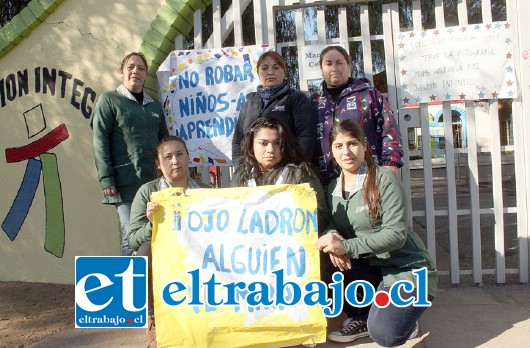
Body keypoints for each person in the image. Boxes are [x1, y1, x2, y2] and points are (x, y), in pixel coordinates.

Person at [315, 119, 437, 346]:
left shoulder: (384, 179)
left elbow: (396, 234)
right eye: (338, 146)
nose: (346, 152)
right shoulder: (332, 188)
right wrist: (332, 236)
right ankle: (361, 317)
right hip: (368, 267)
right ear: (331, 151)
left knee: (386, 335)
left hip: (404, 268)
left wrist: (347, 246)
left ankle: (404, 320)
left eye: (352, 144)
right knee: (328, 257)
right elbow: (332, 222)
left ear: (365, 146)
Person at [128, 136, 209, 347]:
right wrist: (151, 224)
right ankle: (154, 318)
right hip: (165, 265)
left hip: (199, 262)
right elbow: (133, 240)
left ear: (189, 158)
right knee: (145, 249)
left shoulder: (206, 192)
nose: (175, 161)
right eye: (168, 157)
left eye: (180, 154)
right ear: (158, 164)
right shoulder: (147, 192)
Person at [92, 52, 169, 256]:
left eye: (141, 68)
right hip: (124, 183)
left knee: (156, 235)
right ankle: (130, 288)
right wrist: (106, 178)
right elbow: (100, 140)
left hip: (153, 183)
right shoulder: (109, 100)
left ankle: (150, 286)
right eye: (131, 67)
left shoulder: (155, 107)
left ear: (145, 75)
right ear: (122, 72)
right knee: (130, 239)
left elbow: (164, 144)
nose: (136, 71)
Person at [312, 45, 404, 187]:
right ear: (321, 68)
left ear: (348, 65)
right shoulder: (314, 101)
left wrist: (390, 163)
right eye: (328, 63)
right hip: (327, 181)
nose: (334, 68)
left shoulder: (369, 94)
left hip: (367, 176)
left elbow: (389, 129)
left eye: (339, 62)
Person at [231, 117, 328, 234]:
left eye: (277, 143)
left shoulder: (301, 174)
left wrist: (289, 221)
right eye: (263, 143)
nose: (270, 149)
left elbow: (322, 215)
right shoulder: (241, 177)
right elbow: (231, 214)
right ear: (252, 145)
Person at [232, 51, 317, 170]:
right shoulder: (248, 105)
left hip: (287, 174)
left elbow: (306, 136)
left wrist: (293, 170)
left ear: (284, 71)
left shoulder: (296, 99)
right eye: (265, 68)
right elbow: (238, 141)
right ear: (258, 73)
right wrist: (241, 170)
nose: (270, 72)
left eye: (276, 67)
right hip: (252, 176)